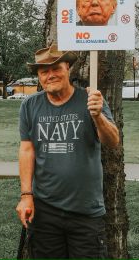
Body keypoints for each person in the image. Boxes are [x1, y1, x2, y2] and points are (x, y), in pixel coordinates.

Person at [15, 44, 119, 259]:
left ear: (68, 69)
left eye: (56, 68)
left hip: (86, 210)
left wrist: (98, 115)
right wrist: (26, 195)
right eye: (44, 71)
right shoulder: (29, 106)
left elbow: (112, 141)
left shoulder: (91, 99)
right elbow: (27, 150)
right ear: (39, 77)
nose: (50, 75)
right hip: (45, 210)